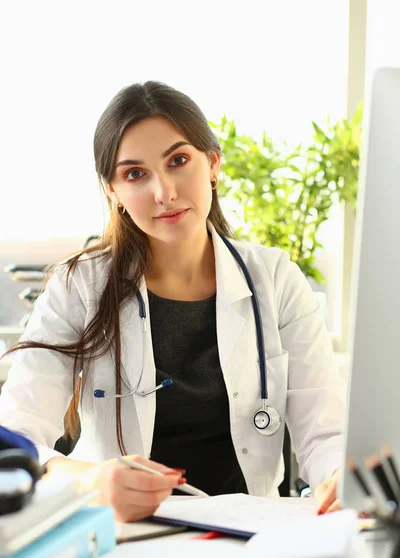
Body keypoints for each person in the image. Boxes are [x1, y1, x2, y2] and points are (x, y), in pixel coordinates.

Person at [0, 81, 343, 522]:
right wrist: (90, 480)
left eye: (178, 161)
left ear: (213, 163)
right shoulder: (78, 285)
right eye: (135, 174)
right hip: (120, 534)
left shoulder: (275, 278)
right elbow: (14, 437)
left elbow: (325, 429)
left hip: (252, 530)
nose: (164, 192)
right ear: (113, 192)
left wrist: (337, 475)